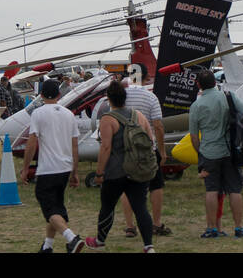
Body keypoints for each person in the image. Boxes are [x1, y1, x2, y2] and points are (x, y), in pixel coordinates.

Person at [92, 74, 172, 237]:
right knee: (155, 187)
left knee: (123, 193)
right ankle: (155, 225)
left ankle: (129, 226)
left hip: (122, 157)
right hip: (145, 152)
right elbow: (157, 126)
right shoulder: (150, 97)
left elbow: (106, 145)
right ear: (144, 79)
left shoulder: (118, 102)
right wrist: (161, 151)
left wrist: (100, 172)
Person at [85, 81, 157, 252]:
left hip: (115, 172)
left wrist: (99, 173)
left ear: (109, 99)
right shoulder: (138, 115)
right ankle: (148, 245)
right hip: (138, 169)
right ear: (125, 98)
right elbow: (149, 140)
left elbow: (105, 147)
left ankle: (100, 241)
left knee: (107, 207)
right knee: (141, 207)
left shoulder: (107, 119)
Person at [19, 79, 83, 253]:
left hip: (48, 169)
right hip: (65, 168)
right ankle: (47, 245)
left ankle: (72, 238)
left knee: (50, 210)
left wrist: (25, 168)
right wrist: (75, 172)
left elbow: (32, 144)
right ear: (59, 95)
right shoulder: (69, 114)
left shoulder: (38, 114)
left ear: (40, 96)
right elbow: (75, 145)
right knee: (55, 208)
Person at [187, 69, 243, 239]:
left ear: (198, 85)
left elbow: (194, 136)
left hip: (209, 152)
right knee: (235, 190)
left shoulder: (196, 106)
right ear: (215, 83)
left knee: (212, 190)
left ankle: (211, 229)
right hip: (231, 150)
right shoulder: (228, 96)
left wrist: (200, 151)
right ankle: (239, 227)